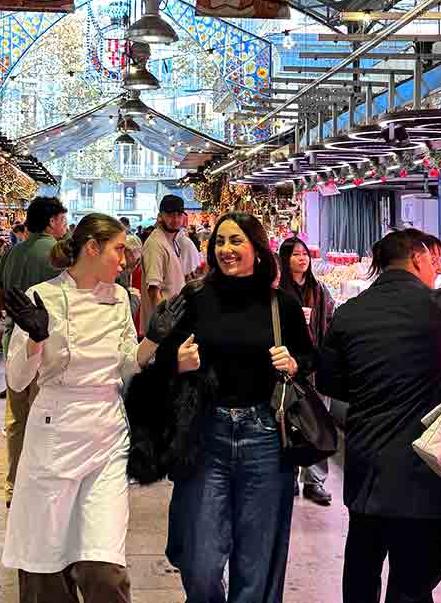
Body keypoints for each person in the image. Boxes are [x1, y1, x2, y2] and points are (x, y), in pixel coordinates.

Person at [127, 212, 316, 603]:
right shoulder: (195, 298)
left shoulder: (281, 305)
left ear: (257, 250)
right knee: (199, 562)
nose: (226, 250)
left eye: (236, 241)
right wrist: (177, 363)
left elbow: (310, 358)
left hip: (265, 436)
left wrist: (295, 363)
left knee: (257, 561)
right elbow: (159, 360)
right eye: (220, 242)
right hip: (205, 435)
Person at [1, 214, 161, 603]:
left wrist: (155, 340)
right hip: (53, 436)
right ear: (93, 247)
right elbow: (18, 379)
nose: (125, 261)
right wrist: (36, 339)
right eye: (119, 250)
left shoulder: (121, 297)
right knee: (44, 566)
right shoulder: (45, 296)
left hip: (106, 435)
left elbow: (125, 366)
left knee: (103, 567)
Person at [317, 229, 441, 603]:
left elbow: (329, 381)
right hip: (424, 466)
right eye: (434, 261)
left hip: (366, 463)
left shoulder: (349, 312)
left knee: (362, 566)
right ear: (418, 258)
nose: (436, 269)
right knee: (413, 581)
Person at [0, 196, 68, 507]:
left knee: (18, 421)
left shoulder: (13, 252)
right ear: (51, 222)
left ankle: (14, 487)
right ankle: (45, 486)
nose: (64, 225)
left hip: (17, 348)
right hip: (54, 351)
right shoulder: (62, 255)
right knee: (50, 419)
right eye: (62, 219)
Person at [277, 237, 334, 506]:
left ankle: (315, 481)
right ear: (284, 259)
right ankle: (287, 478)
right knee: (289, 424)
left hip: (315, 366)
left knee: (318, 422)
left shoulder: (319, 290)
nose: (302, 259)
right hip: (287, 368)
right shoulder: (278, 292)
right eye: (295, 254)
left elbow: (331, 320)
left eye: (305, 254)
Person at [140, 195, 187, 331]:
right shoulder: (155, 244)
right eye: (171, 215)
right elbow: (154, 291)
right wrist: (166, 323)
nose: (176, 219)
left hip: (174, 322)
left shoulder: (170, 241)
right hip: (163, 328)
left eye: (179, 214)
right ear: (160, 216)